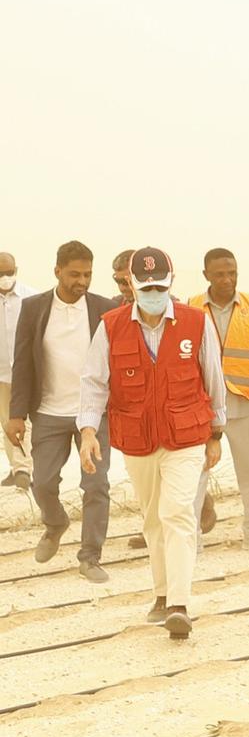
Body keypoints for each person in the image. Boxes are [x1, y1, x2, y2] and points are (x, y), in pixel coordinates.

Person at [77, 248, 225, 638]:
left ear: (171, 282)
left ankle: (179, 605)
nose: (154, 293)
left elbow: (214, 379)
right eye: (146, 287)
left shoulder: (196, 322)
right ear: (133, 286)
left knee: (177, 512)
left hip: (187, 436)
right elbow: (94, 383)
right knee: (152, 519)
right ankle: (161, 595)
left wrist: (216, 433)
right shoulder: (110, 326)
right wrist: (89, 432)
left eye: (160, 285)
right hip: (138, 438)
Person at [8, 241, 117, 581]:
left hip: (93, 414)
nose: (81, 281)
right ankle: (55, 523)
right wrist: (16, 414)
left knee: (96, 485)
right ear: (57, 271)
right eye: (74, 274)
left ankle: (90, 556)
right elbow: (22, 362)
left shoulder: (104, 309)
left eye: (86, 274)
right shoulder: (34, 308)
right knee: (42, 483)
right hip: (49, 412)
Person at [188, 248, 249, 551]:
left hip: (243, 404)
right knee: (195, 474)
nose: (227, 279)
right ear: (206, 276)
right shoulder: (190, 309)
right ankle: (193, 540)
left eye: (232, 272)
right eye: (219, 274)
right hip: (202, 407)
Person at [0, 252, 29, 490]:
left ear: (16, 270)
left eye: (9, 273)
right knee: (6, 423)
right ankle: (17, 468)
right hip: (1, 374)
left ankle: (27, 469)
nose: (5, 278)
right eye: (0, 274)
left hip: (27, 372)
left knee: (29, 423)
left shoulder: (31, 297)